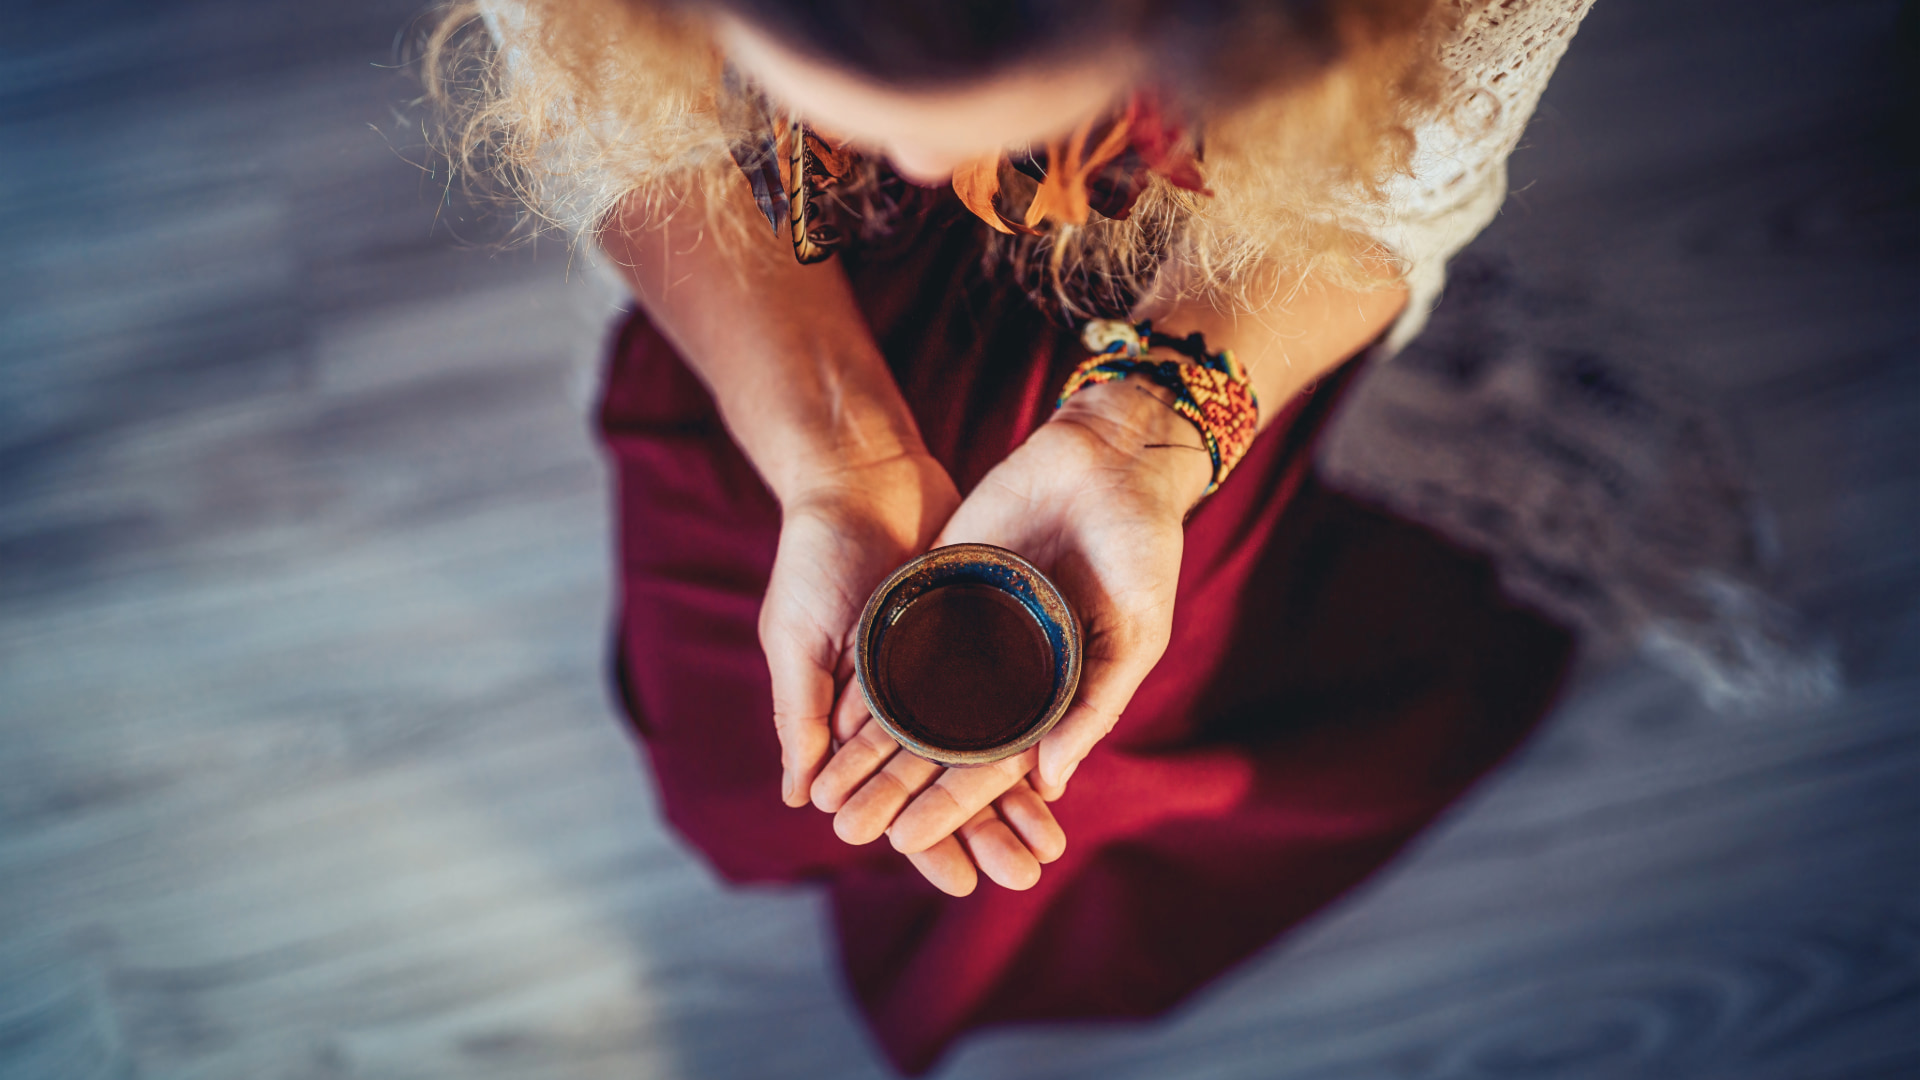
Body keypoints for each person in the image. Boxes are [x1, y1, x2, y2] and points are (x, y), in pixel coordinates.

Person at [430, 0, 1593, 1070]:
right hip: (759, 277)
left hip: (1180, 289)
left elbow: (1385, 210)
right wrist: (833, 446)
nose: (927, 166)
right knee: (733, 753)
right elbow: (615, 130)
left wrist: (1143, 434)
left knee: (1110, 763)